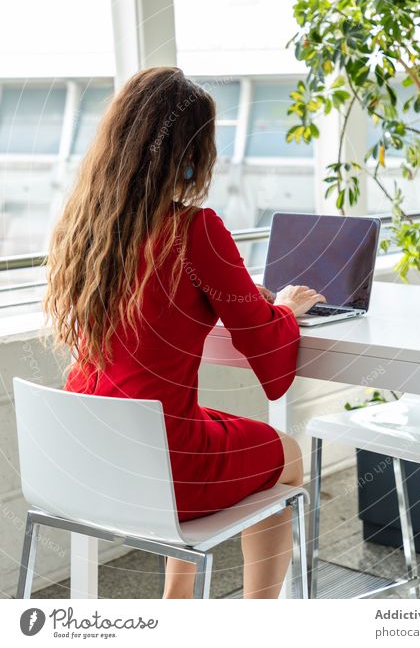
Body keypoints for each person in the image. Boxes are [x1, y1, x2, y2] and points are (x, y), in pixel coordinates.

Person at [43, 67, 325, 599]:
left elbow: (154, 309)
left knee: (199, 422)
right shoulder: (197, 229)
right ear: (191, 155)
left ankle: (179, 606)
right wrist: (284, 308)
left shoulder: (85, 226)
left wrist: (231, 295)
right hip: (163, 468)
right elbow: (271, 367)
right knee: (286, 456)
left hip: (86, 453)